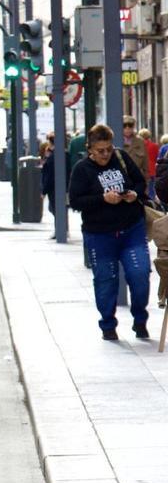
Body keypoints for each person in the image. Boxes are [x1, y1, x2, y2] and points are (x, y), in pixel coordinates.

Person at [69, 124, 151, 341]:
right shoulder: (82, 169)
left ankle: (140, 319)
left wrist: (134, 193)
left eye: (109, 149)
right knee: (106, 280)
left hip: (131, 227)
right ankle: (108, 324)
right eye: (100, 151)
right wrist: (102, 199)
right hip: (100, 234)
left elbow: (140, 181)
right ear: (90, 150)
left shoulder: (121, 158)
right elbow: (75, 201)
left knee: (140, 273)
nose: (106, 154)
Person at [122, 116, 151, 188]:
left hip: (137, 179)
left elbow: (145, 162)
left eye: (130, 126)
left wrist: (146, 182)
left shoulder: (140, 141)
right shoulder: (116, 139)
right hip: (122, 178)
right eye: (124, 126)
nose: (127, 128)